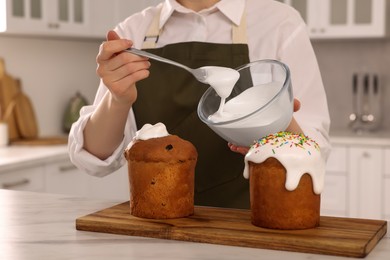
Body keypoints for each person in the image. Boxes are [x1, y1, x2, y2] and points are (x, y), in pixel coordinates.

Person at [68, 0, 330, 209]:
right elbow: (95, 157)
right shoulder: (133, 33)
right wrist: (118, 99)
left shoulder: (279, 23)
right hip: (158, 231)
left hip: (251, 228)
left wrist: (280, 121)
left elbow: (313, 150)